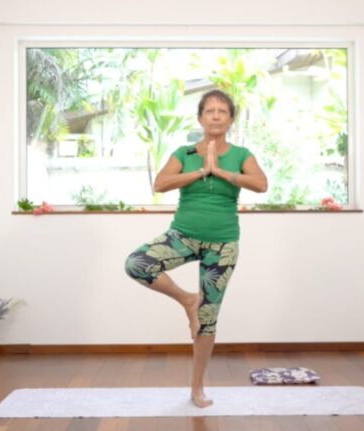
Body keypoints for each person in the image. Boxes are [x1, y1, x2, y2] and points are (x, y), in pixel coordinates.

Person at [124, 89, 268, 408]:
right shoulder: (184, 152)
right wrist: (203, 169)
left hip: (223, 244)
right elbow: (160, 184)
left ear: (231, 119)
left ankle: (197, 388)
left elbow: (261, 184)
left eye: (222, 111)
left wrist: (220, 171)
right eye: (209, 111)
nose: (216, 116)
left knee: (208, 318)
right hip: (183, 236)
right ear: (200, 118)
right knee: (137, 263)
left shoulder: (241, 154)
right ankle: (187, 299)